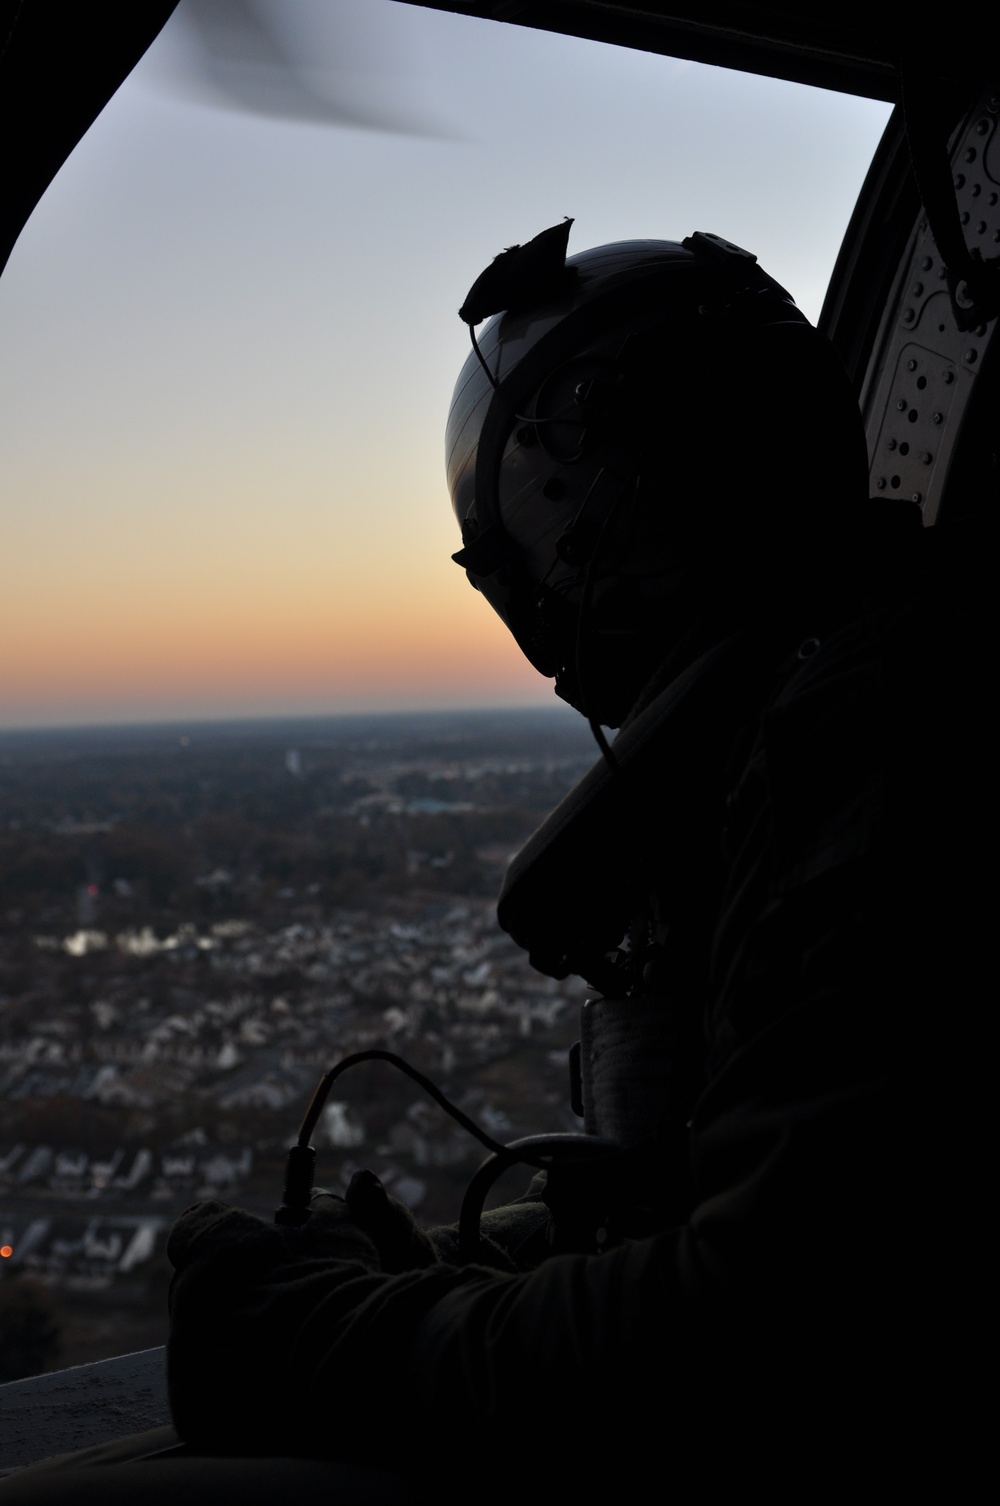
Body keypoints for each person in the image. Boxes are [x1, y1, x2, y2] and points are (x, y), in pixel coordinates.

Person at [5, 223, 989, 1501]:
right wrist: (443, 1284)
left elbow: (767, 1335)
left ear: (582, 519)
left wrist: (316, 1332)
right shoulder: (857, 692)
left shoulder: (876, 738)